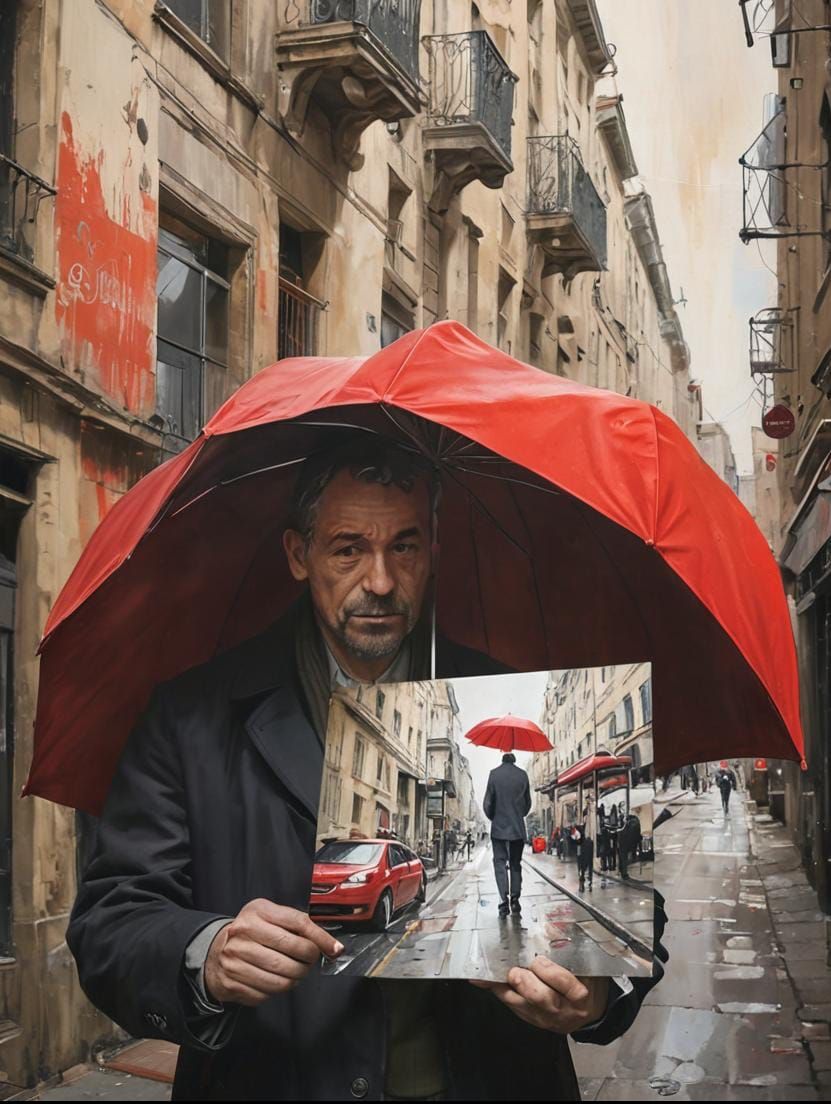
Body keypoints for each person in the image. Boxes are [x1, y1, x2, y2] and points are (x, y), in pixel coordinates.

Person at [67, 437, 669, 1102]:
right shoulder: (192, 714)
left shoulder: (494, 686)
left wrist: (599, 995)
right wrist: (205, 952)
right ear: (299, 555)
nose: (379, 582)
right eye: (348, 548)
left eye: (403, 547)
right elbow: (111, 921)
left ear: (431, 552)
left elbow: (636, 910)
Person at [483, 752, 531, 917]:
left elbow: (487, 803)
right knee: (516, 864)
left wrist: (495, 817)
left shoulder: (494, 774)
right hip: (517, 828)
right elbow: (528, 804)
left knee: (500, 864)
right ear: (514, 760)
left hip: (499, 828)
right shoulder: (523, 775)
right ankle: (515, 900)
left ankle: (503, 901)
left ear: (502, 759)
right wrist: (518, 814)